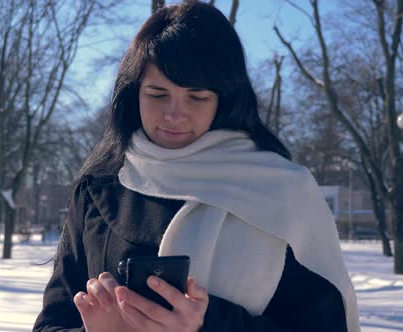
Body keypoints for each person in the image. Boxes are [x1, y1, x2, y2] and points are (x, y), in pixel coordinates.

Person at [33, 1, 359, 331]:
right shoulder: (99, 189)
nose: (174, 114)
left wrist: (205, 324)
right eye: (157, 94)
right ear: (135, 93)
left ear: (225, 98)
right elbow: (51, 324)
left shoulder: (283, 191)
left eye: (197, 96)